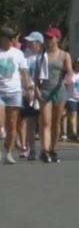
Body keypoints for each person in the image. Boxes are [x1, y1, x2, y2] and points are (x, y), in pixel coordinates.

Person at [36, 27, 72, 163]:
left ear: (57, 39)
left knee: (56, 122)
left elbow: (69, 71)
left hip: (59, 90)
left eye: (51, 38)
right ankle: (44, 151)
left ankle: (53, 149)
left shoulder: (64, 55)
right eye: (46, 38)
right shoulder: (41, 55)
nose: (48, 40)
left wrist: (68, 78)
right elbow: (36, 75)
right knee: (45, 122)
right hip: (45, 90)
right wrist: (36, 89)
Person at [0, 26, 32, 164]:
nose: (13, 40)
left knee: (12, 124)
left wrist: (28, 89)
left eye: (14, 38)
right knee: (1, 126)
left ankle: (8, 153)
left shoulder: (18, 53)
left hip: (15, 91)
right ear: (2, 39)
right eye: (10, 38)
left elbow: (24, 72)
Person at [22, 31, 47, 161]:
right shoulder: (24, 55)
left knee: (43, 123)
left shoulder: (44, 56)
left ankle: (44, 149)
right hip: (29, 93)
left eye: (31, 42)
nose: (29, 44)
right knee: (30, 123)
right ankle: (31, 149)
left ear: (39, 43)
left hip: (42, 93)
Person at [65, 57, 79, 142]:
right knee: (73, 114)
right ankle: (74, 133)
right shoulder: (71, 73)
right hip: (71, 97)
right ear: (75, 64)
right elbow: (65, 83)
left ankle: (75, 132)